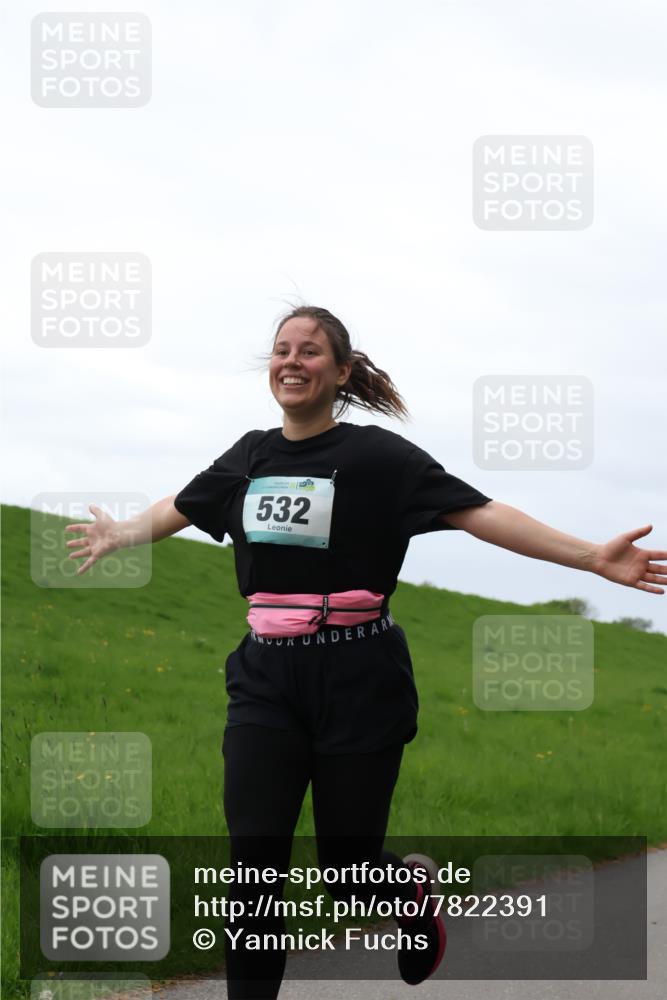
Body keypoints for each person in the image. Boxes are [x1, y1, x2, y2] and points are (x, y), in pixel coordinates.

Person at [65, 305, 666, 999]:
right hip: (265, 678)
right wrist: (125, 534)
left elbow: (480, 512)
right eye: (281, 349)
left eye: (310, 351)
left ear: (342, 371)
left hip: (359, 674)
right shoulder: (250, 455)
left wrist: (590, 556)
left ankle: (407, 892)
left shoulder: (377, 458)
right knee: (253, 869)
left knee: (347, 871)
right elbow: (186, 502)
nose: (291, 360)